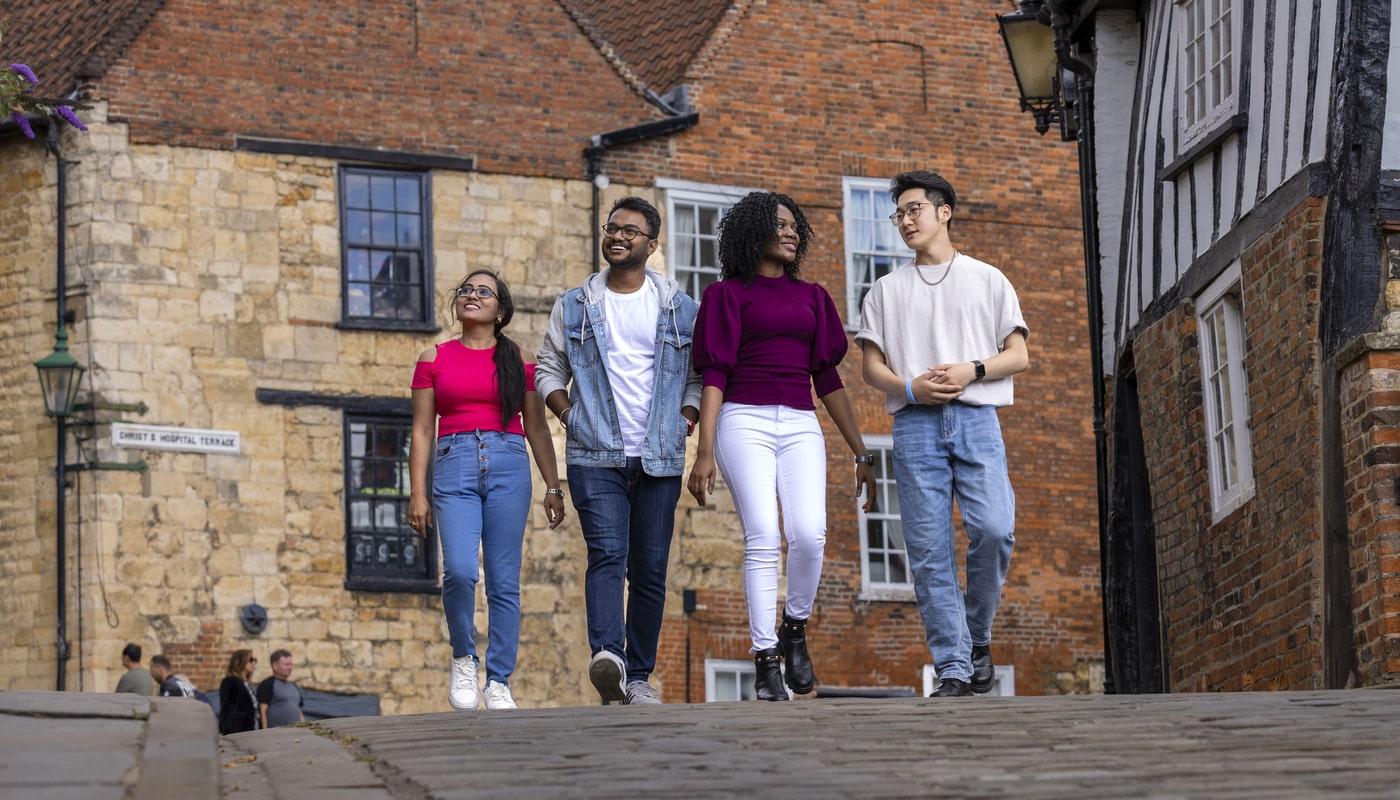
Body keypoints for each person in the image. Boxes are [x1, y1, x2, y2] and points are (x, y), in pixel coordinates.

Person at [687, 191, 876, 701]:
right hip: (741, 420)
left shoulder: (812, 297)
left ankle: (795, 628)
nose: (792, 233)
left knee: (810, 533)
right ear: (754, 233)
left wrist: (861, 452)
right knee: (764, 535)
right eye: (781, 225)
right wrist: (704, 451)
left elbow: (828, 378)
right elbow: (714, 374)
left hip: (798, 422)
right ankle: (766, 656)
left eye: (796, 226)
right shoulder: (725, 295)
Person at [856, 170, 1029, 698]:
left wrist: (971, 371)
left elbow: (1019, 355)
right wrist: (910, 387)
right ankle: (953, 667)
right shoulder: (884, 290)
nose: (905, 221)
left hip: (977, 419)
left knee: (995, 530)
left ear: (943, 212)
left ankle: (976, 637)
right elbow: (870, 367)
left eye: (914, 210)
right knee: (930, 550)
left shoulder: (988, 278)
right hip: (913, 426)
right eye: (899, 214)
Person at [536, 196, 702, 705]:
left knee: (650, 568)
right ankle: (608, 655)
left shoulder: (681, 308)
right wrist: (570, 417)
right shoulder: (574, 304)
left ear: (652, 245)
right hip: (594, 454)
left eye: (631, 231)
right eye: (612, 228)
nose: (618, 236)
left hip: (660, 456)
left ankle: (638, 677)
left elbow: (698, 376)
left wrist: (686, 421)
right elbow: (548, 368)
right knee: (607, 554)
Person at [408, 269, 565, 712]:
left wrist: (553, 485)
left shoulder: (521, 358)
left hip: (509, 463)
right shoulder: (432, 357)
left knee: (503, 581)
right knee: (458, 570)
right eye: (466, 290)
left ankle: (499, 680)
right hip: (453, 462)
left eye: (484, 292)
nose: (471, 296)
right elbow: (421, 430)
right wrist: (416, 492)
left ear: (500, 310)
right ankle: (463, 656)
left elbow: (536, 425)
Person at [256, 649, 305, 728]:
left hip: (297, 734)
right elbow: (262, 711)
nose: (290, 667)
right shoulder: (268, 684)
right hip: (277, 735)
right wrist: (264, 733)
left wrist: (304, 728)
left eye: (291, 664)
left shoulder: (293, 686)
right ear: (275, 666)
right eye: (286, 664)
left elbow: (299, 711)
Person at [218, 649, 260, 734]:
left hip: (252, 729)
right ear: (240, 661)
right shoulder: (230, 681)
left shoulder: (246, 684)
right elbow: (227, 709)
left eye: (255, 660)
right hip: (239, 732)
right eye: (251, 660)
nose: (254, 663)